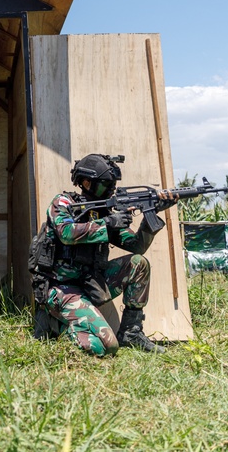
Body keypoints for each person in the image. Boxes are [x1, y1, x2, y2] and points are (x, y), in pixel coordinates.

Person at [30, 153, 178, 356]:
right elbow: (66, 233)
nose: (110, 190)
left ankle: (131, 333)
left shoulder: (106, 212)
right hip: (61, 288)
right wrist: (108, 223)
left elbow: (136, 246)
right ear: (86, 182)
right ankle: (54, 325)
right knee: (107, 346)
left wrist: (152, 214)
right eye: (104, 185)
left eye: (112, 185)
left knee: (138, 263)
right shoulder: (63, 202)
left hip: (90, 283)